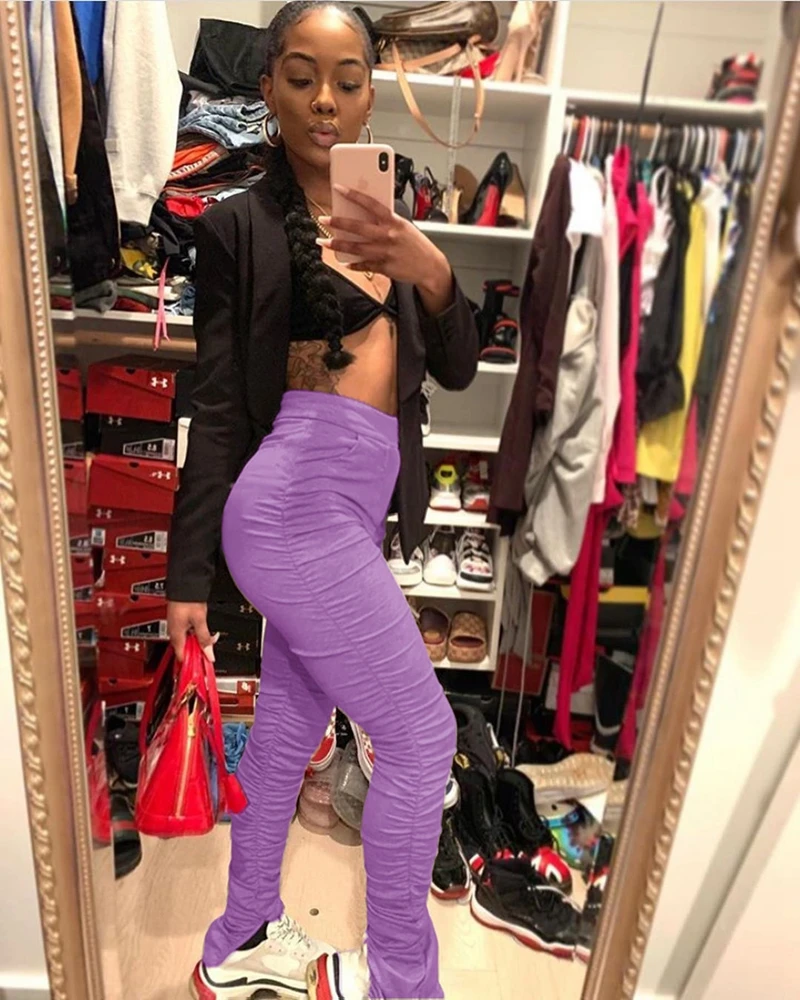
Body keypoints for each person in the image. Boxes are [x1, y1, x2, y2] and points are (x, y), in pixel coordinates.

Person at [165, 4, 479, 999]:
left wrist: (431, 270)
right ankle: (399, 981)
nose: (326, 101)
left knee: (287, 739)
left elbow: (459, 367)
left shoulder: (390, 213)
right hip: (292, 505)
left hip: (348, 510)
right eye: (301, 77)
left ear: (371, 91)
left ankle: (238, 937)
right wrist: (186, 580)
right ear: (267, 88)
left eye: (348, 79)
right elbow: (219, 409)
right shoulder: (238, 226)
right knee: (423, 738)